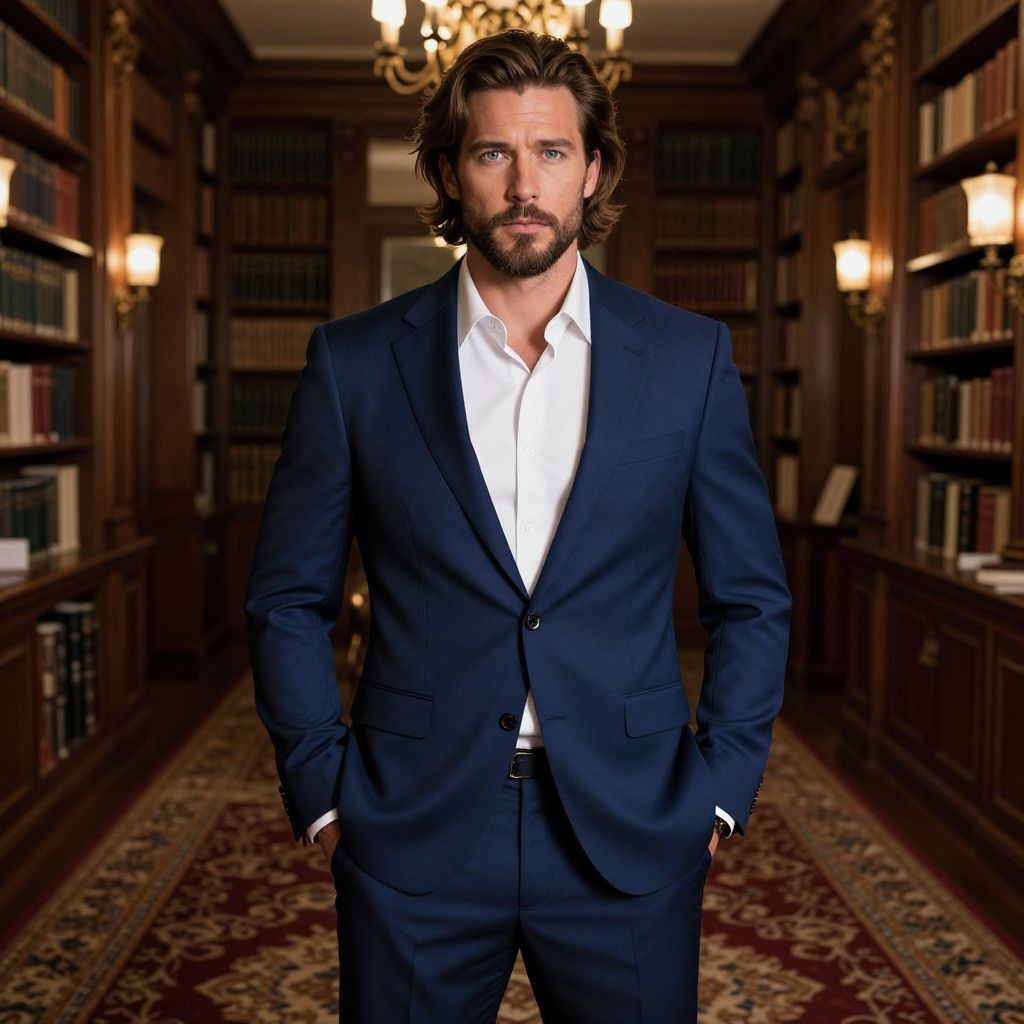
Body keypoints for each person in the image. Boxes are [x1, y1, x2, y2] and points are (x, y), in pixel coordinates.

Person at [245, 27, 791, 1024]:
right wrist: (323, 792)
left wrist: (718, 790)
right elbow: (287, 597)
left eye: (550, 152)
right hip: (410, 821)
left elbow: (751, 595)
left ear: (593, 169)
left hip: (630, 821)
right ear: (452, 173)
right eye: (493, 152)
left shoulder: (687, 359)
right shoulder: (355, 364)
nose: (523, 183)